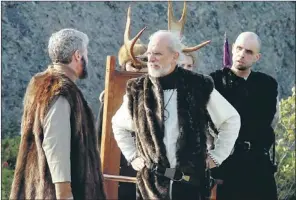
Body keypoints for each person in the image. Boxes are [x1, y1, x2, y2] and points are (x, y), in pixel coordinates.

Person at [112, 30, 241, 200]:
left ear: (174, 56)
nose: (151, 58)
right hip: (151, 189)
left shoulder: (198, 86)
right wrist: (133, 156)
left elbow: (231, 119)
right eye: (149, 53)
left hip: (191, 186)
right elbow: (118, 125)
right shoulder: (137, 90)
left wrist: (217, 157)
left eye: (157, 53)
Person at [10, 28, 106, 200]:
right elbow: (55, 145)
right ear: (78, 55)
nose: (87, 58)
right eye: (86, 53)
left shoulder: (39, 84)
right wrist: (65, 194)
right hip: (55, 193)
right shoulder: (60, 90)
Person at [209, 32, 279, 200]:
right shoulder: (214, 82)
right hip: (226, 164)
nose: (242, 54)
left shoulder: (267, 85)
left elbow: (268, 120)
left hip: (258, 165)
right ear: (232, 48)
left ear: (257, 57)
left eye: (249, 52)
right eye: (239, 48)